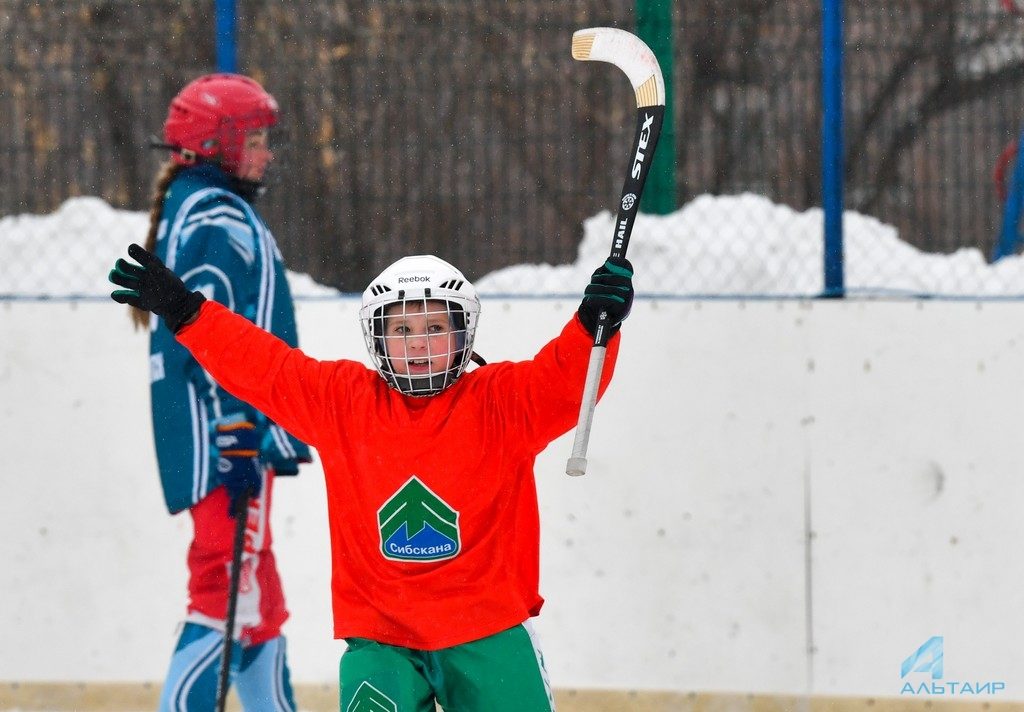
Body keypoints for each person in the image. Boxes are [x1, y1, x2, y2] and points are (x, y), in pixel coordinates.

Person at [110, 243, 634, 711]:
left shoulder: (500, 401)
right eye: (402, 330)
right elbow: (264, 368)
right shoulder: (344, 402)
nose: (418, 344)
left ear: (463, 332)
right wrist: (187, 312)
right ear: (377, 337)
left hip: (488, 631)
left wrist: (594, 324)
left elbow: (565, 381)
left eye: (435, 328)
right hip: (381, 638)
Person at [129, 73, 311, 711]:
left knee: (258, 600)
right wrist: (237, 429)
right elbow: (212, 334)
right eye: (255, 139)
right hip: (231, 441)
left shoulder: (197, 206)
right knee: (226, 593)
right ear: (217, 142)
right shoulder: (216, 215)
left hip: (231, 437)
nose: (266, 153)